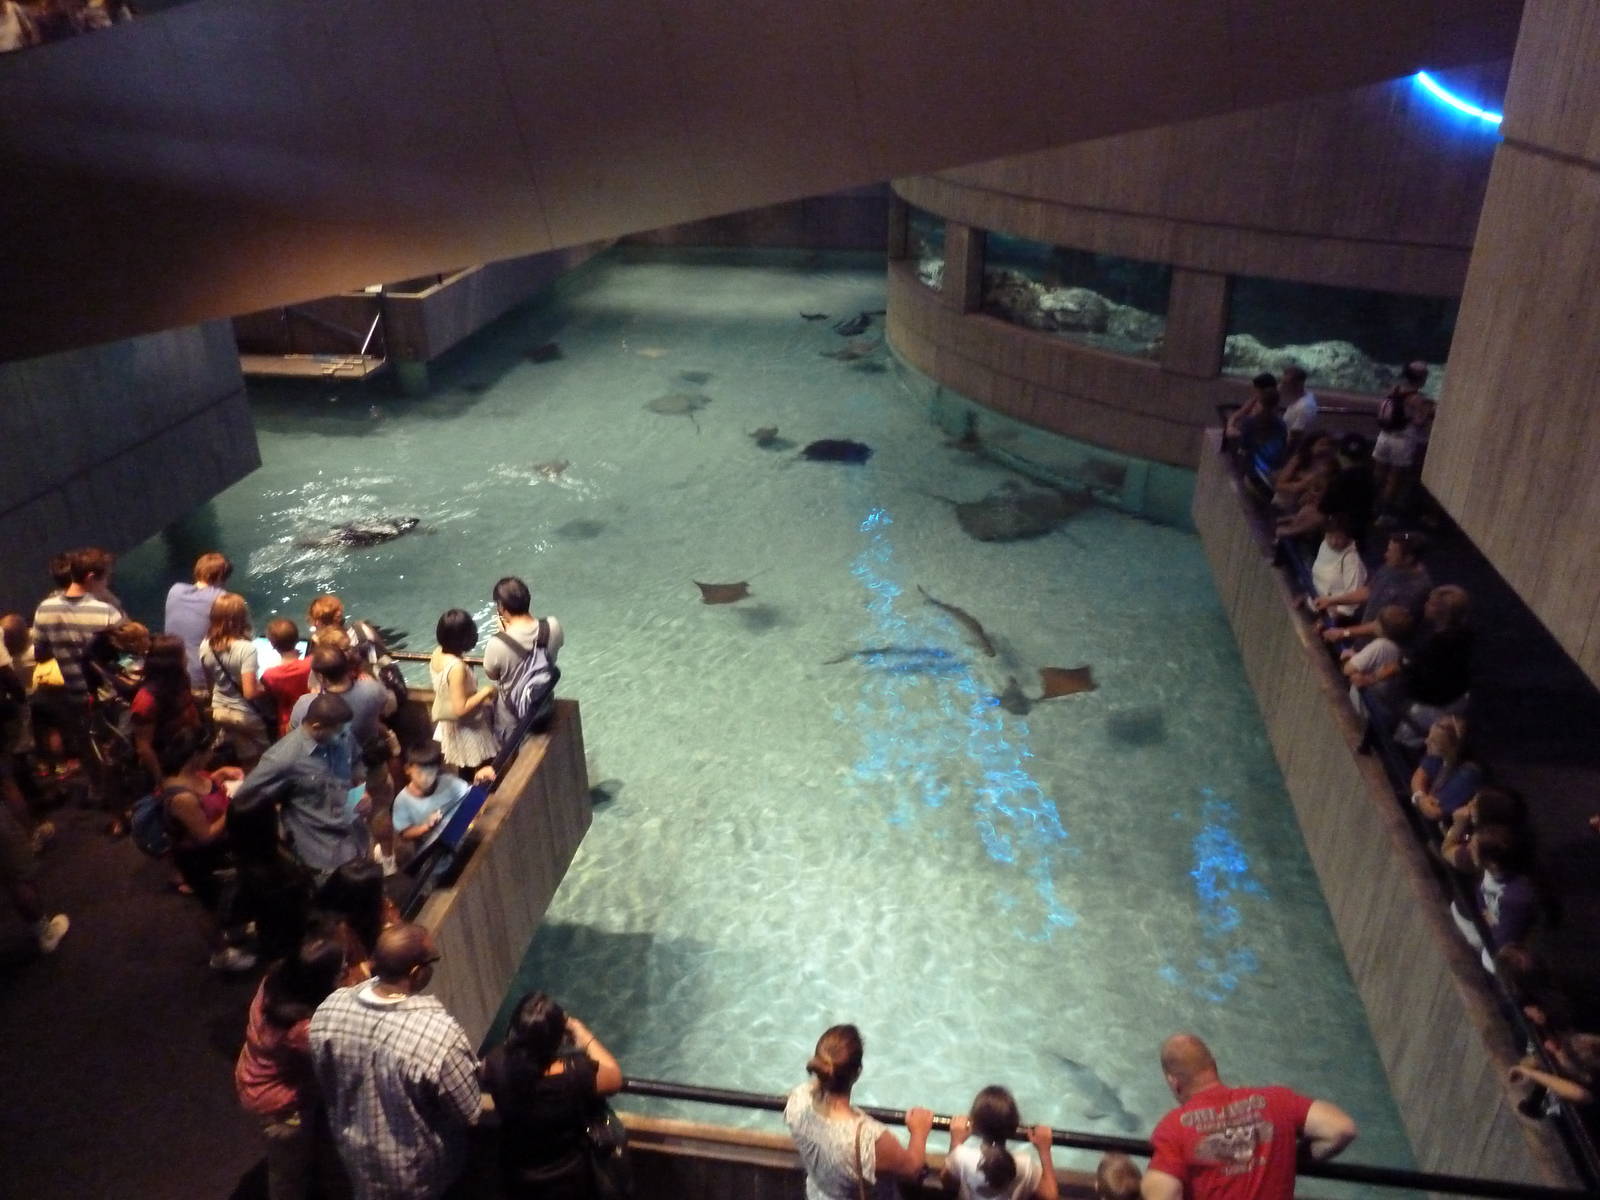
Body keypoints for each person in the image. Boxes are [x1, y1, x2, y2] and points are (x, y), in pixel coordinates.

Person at [310, 923, 480, 1200]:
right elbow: (469, 1111)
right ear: (416, 972)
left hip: (356, 1159)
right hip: (418, 1175)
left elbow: (326, 1078)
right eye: (432, 961)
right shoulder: (438, 1036)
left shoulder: (329, 1009)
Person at [1142, 1034, 1355, 1200]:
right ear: (1213, 1065)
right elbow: (1341, 1129)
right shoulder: (1276, 1101)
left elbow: (1164, 1193)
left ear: (1173, 1081)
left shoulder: (1173, 1128)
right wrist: (1293, 1158)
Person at [235, 934, 349, 1200]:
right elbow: (335, 1063)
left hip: (259, 1077)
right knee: (287, 1172)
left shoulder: (277, 984)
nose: (345, 968)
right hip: (280, 1104)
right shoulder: (302, 1030)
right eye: (340, 968)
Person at [481, 991, 624, 1198]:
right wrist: (581, 1031)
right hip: (569, 1181)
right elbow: (614, 1076)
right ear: (558, 1039)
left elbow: (499, 1062)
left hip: (518, 1179)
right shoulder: (575, 1074)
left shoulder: (495, 1063)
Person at [784, 1024, 933, 1200]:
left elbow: (814, 1092)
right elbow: (913, 1170)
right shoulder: (867, 1139)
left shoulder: (797, 1101)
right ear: (858, 1072)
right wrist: (919, 1131)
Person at [233, 693, 370, 878]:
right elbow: (246, 799)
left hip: (354, 837)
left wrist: (361, 789)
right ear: (317, 727)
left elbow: (356, 762)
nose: (346, 737)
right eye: (340, 733)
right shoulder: (283, 759)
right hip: (320, 855)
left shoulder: (343, 735)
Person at [31, 546, 123, 768]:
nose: (107, 583)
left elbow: (41, 655)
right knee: (116, 741)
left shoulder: (44, 609)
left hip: (73, 694)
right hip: (107, 694)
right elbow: (124, 656)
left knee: (87, 743)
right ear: (91, 578)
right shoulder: (107, 613)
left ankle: (97, 787)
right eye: (105, 578)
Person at [158, 725, 239, 911]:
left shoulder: (190, 773)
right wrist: (233, 809)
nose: (212, 754)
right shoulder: (182, 798)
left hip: (223, 843)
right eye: (209, 750)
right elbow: (206, 835)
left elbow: (206, 792)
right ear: (196, 755)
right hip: (206, 859)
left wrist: (220, 774)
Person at [941, 1084, 1056, 1200]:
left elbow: (947, 1183)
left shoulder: (961, 1156)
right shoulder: (1025, 1164)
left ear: (974, 1125)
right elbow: (1050, 1196)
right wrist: (1044, 1150)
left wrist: (956, 1141)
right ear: (1014, 1126)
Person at [1318, 531, 1431, 643]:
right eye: (1388, 550)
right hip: (1362, 637)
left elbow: (1385, 626)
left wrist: (1345, 633)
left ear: (1408, 558)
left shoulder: (1417, 589)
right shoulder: (1391, 565)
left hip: (1380, 646)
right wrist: (1332, 601)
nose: (1386, 555)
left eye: (1391, 552)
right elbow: (1368, 591)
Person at [483, 576, 564, 733]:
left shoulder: (496, 643)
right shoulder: (553, 626)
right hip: (543, 704)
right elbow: (557, 646)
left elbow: (492, 674)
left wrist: (504, 634)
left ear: (501, 607)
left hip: (511, 718)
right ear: (528, 599)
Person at [200, 592, 269, 767]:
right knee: (264, 758)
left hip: (219, 711)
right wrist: (265, 686)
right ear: (241, 618)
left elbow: (210, 684)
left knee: (243, 752)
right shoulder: (247, 649)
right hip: (244, 715)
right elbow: (250, 693)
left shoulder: (206, 644)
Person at [427, 609, 498, 772]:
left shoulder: (437, 654)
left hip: (450, 726)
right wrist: (485, 691)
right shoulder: (457, 668)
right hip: (468, 728)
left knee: (465, 768)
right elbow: (460, 708)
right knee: (484, 771)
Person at [129, 634, 201, 791]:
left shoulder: (181, 680)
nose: (187, 658)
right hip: (165, 765)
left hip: (187, 755)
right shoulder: (146, 700)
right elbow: (144, 747)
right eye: (183, 654)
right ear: (173, 662)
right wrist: (160, 781)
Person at [287, 644, 391, 750]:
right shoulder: (373, 688)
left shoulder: (306, 704)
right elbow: (385, 709)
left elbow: (291, 735)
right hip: (367, 754)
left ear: (321, 677)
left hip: (328, 762)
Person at [313, 858, 398, 985]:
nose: (384, 893)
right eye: (380, 889)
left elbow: (395, 925)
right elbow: (342, 982)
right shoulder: (333, 934)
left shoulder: (380, 907)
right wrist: (371, 964)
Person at [164, 552, 233, 696]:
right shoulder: (221, 599)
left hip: (173, 674)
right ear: (221, 577)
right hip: (202, 681)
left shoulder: (175, 590)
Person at [391, 741, 472, 862]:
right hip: (436, 855)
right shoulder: (402, 801)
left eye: (430, 773)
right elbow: (405, 832)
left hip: (464, 841)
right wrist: (426, 827)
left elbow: (470, 795)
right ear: (408, 769)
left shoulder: (449, 783)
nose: (425, 779)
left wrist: (478, 780)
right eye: (419, 773)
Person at [1372, 362, 1427, 520]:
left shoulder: (1394, 389)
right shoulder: (1417, 398)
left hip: (1384, 436)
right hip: (1402, 440)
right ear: (1422, 378)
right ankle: (1384, 513)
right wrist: (1426, 413)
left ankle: (1371, 503)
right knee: (1394, 478)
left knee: (1378, 473)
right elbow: (1419, 421)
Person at [1409, 715, 1483, 824]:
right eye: (1429, 737)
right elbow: (1418, 777)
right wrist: (1421, 797)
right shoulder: (1438, 754)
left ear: (1452, 747)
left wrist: (1420, 799)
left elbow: (1435, 812)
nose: (1426, 742)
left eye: (1434, 742)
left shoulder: (1468, 775)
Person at [261, 618, 313, 739]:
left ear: (272, 645)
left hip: (287, 725)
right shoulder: (311, 663)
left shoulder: (269, 675)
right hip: (312, 717)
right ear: (297, 639)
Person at [1306, 516, 1366, 620]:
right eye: (1330, 536)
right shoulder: (1325, 544)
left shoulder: (1352, 561)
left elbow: (1351, 603)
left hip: (1331, 616)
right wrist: (1305, 597)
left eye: (1339, 538)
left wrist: (1326, 621)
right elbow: (1318, 579)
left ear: (1348, 537)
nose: (1333, 542)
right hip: (1314, 604)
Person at [1279, 364, 1317, 449]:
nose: (1281, 386)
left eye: (1286, 383)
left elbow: (1294, 439)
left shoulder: (1305, 407)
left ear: (1299, 384)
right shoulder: (1304, 397)